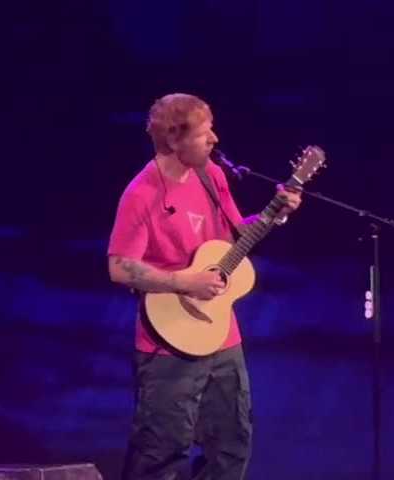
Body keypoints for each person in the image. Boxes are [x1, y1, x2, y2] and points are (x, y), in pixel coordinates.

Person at [107, 93, 302, 479]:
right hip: (168, 342)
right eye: (203, 133)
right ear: (173, 139)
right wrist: (183, 281)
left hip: (222, 336)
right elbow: (119, 267)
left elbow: (235, 236)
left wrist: (273, 215)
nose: (214, 138)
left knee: (231, 445)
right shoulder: (141, 194)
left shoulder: (210, 175)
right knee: (161, 453)